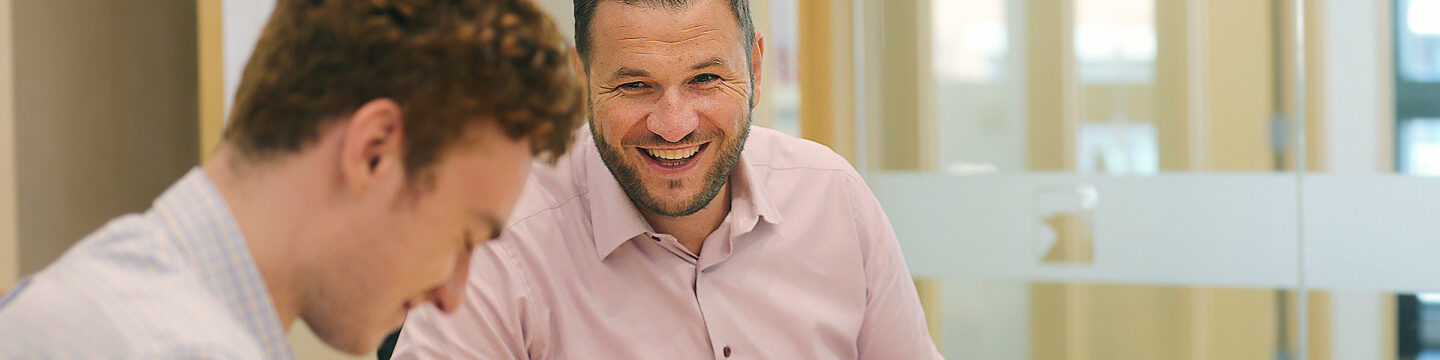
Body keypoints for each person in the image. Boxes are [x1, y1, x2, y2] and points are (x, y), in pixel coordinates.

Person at [0, 0, 582, 358]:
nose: (452, 296)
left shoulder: (91, 289)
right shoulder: (187, 349)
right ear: (374, 150)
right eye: (464, 240)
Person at [393, 0, 942, 358]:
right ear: (582, 78)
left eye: (705, 78)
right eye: (635, 86)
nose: (673, 125)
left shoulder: (832, 196)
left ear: (754, 67)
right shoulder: (499, 239)